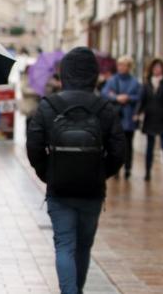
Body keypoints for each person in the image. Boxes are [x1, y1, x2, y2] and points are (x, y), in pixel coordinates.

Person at [26, 47, 125, 294]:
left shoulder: (49, 105)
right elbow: (119, 151)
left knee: (64, 244)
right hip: (92, 190)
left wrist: (47, 174)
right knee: (83, 246)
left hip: (59, 188)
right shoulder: (104, 107)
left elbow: (34, 146)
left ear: (65, 73)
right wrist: (101, 173)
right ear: (93, 74)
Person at [138, 58, 163, 182]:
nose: (156, 70)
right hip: (150, 118)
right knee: (149, 146)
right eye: (155, 67)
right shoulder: (146, 83)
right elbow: (142, 101)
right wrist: (138, 113)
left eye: (159, 67)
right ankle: (147, 172)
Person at [101, 55, 141, 179]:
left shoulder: (134, 82)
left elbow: (139, 97)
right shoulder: (113, 80)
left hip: (128, 119)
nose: (121, 67)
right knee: (115, 145)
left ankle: (128, 169)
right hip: (116, 118)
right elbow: (104, 93)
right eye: (119, 65)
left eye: (123, 65)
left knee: (128, 145)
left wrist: (128, 97)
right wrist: (116, 97)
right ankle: (116, 168)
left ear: (129, 67)